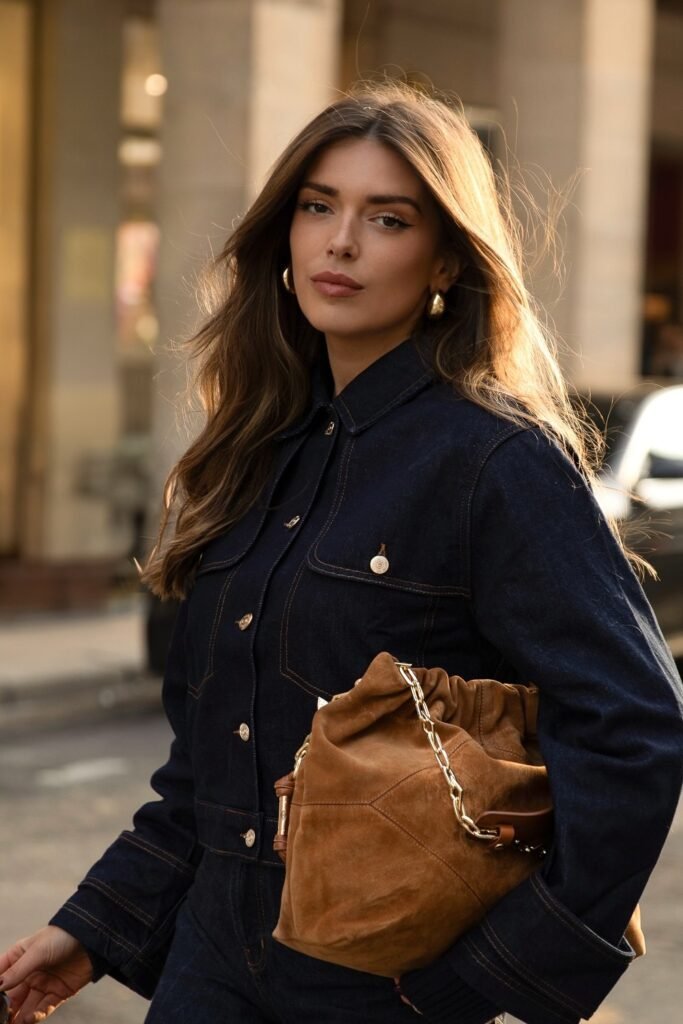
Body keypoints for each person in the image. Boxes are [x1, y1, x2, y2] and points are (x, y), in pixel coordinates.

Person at [1, 81, 681, 1024]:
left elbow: (632, 725)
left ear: (445, 258)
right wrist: (97, 924)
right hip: (214, 960)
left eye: (386, 218)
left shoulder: (495, 459)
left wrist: (489, 975)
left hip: (387, 976)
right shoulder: (251, 454)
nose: (340, 241)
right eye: (318, 206)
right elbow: (209, 769)